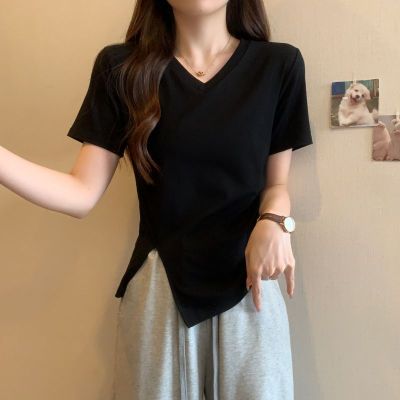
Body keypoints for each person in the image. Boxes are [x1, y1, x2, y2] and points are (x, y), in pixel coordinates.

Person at [0, 1, 313, 399]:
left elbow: (277, 184)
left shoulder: (278, 65)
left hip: (251, 286)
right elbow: (81, 193)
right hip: (160, 285)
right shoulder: (122, 69)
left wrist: (275, 221)